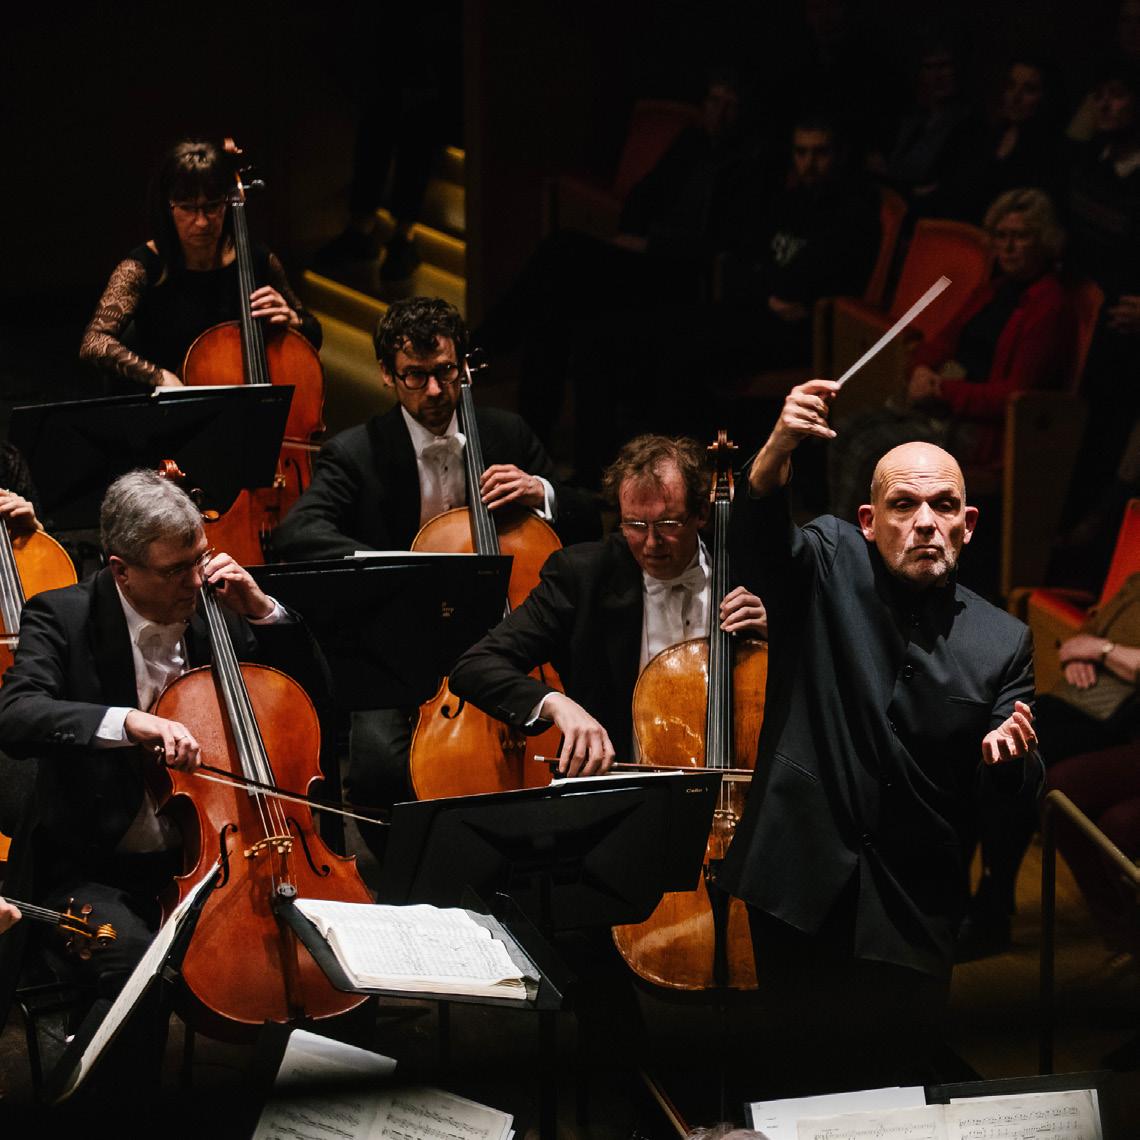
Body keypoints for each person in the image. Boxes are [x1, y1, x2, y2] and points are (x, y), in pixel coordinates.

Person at [723, 383, 1037, 1094]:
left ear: (968, 524)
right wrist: (778, 446)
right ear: (869, 520)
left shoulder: (1004, 640)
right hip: (797, 882)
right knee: (790, 1084)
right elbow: (759, 543)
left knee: (894, 1091)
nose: (925, 522)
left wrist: (1010, 761)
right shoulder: (830, 559)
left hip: (913, 908)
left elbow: (1012, 794)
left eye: (944, 506)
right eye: (904, 505)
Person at [273, 296, 598, 853]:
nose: (433, 391)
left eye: (445, 372)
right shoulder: (356, 452)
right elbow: (297, 534)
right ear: (386, 374)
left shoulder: (506, 434)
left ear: (463, 366)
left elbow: (588, 518)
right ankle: (409, 870)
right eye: (415, 376)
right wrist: (403, 568)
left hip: (508, 638)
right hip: (401, 641)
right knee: (377, 768)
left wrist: (540, 491)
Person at [0, 469, 319, 1013]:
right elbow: (16, 715)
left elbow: (309, 700)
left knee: (322, 951)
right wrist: (127, 722)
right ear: (121, 570)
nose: (196, 581)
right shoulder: (61, 617)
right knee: (135, 975)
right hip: (95, 868)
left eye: (200, 558)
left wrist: (264, 611)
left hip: (216, 860)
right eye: (175, 570)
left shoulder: (217, 607)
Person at [449, 434, 767, 774]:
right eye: (635, 525)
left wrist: (774, 634)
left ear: (701, 512)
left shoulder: (747, 571)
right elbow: (475, 666)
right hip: (618, 788)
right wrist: (557, 704)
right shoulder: (582, 576)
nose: (651, 542)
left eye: (667, 524)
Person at [960, 572, 1140, 958]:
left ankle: (992, 908)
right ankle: (963, 900)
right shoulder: (1136, 579)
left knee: (1021, 759)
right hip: (1081, 699)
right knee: (985, 744)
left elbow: (1107, 647)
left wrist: (1101, 650)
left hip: (1120, 717)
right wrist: (1079, 649)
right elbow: (1087, 628)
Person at [79, 138, 320, 392]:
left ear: (227, 203)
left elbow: (315, 333)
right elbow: (93, 342)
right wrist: (159, 377)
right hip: (172, 408)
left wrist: (294, 320)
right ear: (168, 207)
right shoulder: (142, 268)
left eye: (212, 206)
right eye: (188, 208)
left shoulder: (258, 260)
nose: (202, 221)